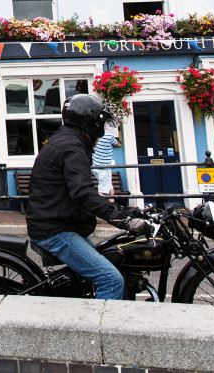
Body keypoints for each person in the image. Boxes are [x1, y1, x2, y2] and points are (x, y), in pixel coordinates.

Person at [25, 93, 150, 300]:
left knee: (113, 258)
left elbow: (81, 191)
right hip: (55, 230)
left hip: (60, 222)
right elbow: (83, 193)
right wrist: (124, 220)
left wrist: (127, 211)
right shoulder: (72, 148)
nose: (102, 129)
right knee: (110, 278)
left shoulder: (69, 142)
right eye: (100, 121)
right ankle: (100, 330)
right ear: (89, 122)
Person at [92, 123, 121, 195]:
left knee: (110, 188)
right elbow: (118, 144)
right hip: (104, 167)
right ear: (105, 127)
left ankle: (112, 203)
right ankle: (102, 204)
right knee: (102, 191)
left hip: (95, 166)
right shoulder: (109, 135)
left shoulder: (94, 136)